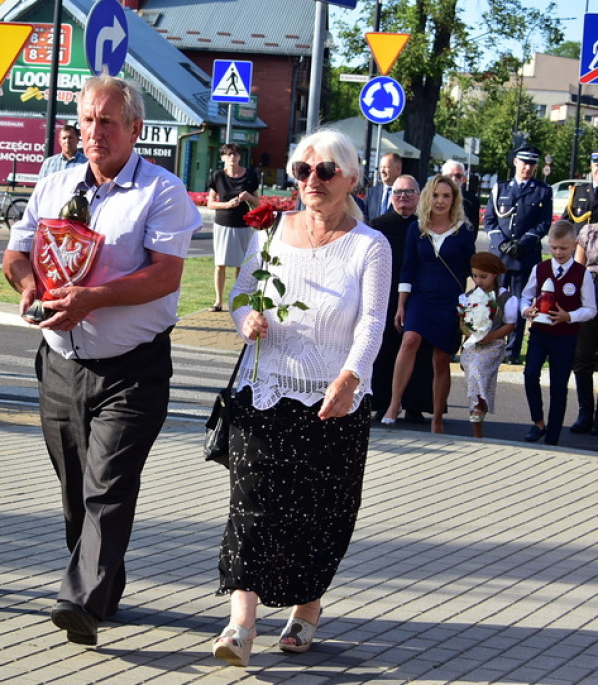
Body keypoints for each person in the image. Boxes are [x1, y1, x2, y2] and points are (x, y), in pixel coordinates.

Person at [2, 75, 201, 646]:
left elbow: (166, 275)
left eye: (107, 121)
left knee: (106, 486)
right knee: (75, 492)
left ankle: (79, 600)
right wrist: (25, 287)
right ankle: (102, 587)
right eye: (86, 120)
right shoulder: (54, 183)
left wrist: (94, 299)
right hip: (60, 362)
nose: (94, 132)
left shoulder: (162, 191)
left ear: (135, 129)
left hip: (132, 369)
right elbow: (17, 254)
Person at [212, 129, 390, 667]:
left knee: (320, 512)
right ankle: (241, 626)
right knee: (251, 505)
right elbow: (242, 294)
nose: (312, 181)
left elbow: (373, 323)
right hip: (263, 391)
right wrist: (248, 320)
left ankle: (306, 610)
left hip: (333, 400)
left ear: (351, 179)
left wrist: (349, 378)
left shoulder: (370, 245)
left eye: (326, 171)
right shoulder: (271, 230)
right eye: (302, 171)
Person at [382, 175, 475, 433]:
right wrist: (402, 306)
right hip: (420, 296)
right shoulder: (417, 228)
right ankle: (394, 403)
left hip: (450, 299)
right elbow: (408, 269)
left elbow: (472, 268)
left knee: (441, 358)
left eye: (446, 195)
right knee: (409, 340)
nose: (440, 200)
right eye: (435, 195)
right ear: (427, 198)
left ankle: (436, 418)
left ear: (454, 199)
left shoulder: (463, 230)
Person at [520, 221, 597, 446]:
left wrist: (569, 316)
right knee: (530, 374)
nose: (558, 252)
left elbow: (591, 309)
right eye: (553, 247)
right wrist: (527, 310)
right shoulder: (540, 269)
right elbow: (525, 296)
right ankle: (538, 422)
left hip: (565, 337)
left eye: (563, 248)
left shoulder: (581, 274)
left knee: (558, 386)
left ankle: (552, 436)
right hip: (539, 333)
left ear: (574, 245)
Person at [368, 175, 433, 422]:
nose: (403, 198)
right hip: (384, 295)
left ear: (418, 196)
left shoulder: (425, 225)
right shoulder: (377, 225)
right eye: (398, 193)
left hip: (418, 295)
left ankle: (414, 405)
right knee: (384, 350)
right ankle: (382, 402)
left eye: (408, 193)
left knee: (417, 349)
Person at [483, 145, 552, 363]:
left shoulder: (542, 191)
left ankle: (512, 352)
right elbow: (490, 221)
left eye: (532, 164)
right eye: (524, 163)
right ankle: (493, 345)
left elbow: (543, 223)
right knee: (495, 304)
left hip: (525, 257)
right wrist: (502, 243)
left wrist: (522, 243)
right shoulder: (500, 189)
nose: (527, 168)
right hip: (500, 258)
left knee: (522, 304)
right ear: (515, 162)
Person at [458, 252, 517, 438]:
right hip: (473, 344)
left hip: (494, 344)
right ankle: (477, 418)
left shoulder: (505, 298)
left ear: (495, 275)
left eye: (483, 276)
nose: (478, 281)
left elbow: (510, 325)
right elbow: (462, 324)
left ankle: (479, 405)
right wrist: (471, 331)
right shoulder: (467, 297)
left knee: (478, 367)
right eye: (475, 276)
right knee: (471, 372)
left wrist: (490, 336)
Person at [206, 143, 259, 312]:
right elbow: (210, 203)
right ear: (222, 157)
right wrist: (227, 205)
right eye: (228, 155)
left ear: (240, 157)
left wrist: (249, 196)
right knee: (220, 264)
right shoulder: (218, 176)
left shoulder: (250, 175)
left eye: (235, 154)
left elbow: (258, 202)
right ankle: (218, 301)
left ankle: (238, 301)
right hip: (223, 223)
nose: (232, 158)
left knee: (240, 265)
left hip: (243, 224)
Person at [570, 218, 598, 434]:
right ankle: (585, 413)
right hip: (589, 294)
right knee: (582, 357)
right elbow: (578, 269)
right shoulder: (589, 231)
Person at [562, 150, 598, 226]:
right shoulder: (578, 191)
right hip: (579, 237)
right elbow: (566, 221)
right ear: (591, 167)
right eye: (597, 165)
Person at [442, 159, 480, 231]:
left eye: (458, 176)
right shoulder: (432, 197)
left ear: (463, 178)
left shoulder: (472, 200)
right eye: (450, 175)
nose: (454, 179)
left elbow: (473, 229)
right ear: (443, 177)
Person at [364, 152, 402, 221]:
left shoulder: (405, 194)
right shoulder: (372, 193)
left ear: (398, 170)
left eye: (386, 167)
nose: (382, 171)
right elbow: (364, 218)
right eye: (381, 167)